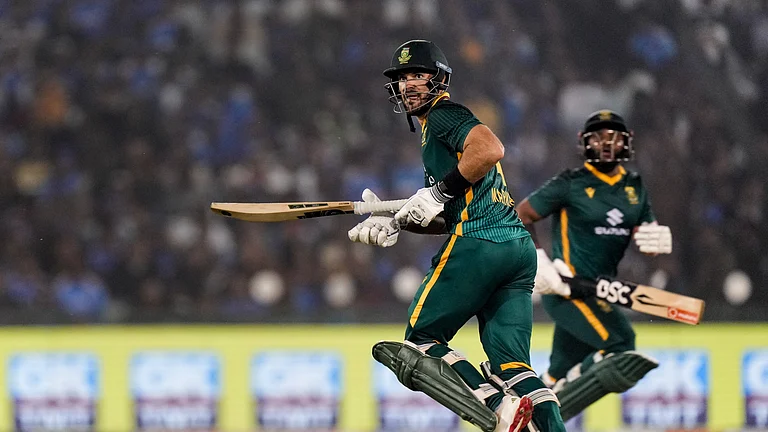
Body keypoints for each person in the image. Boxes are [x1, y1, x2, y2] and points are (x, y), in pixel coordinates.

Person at [348, 39, 566, 432]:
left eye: (417, 75)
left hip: (481, 243)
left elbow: (490, 149)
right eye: (401, 79)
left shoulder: (445, 114)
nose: (408, 84)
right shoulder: (436, 130)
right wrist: (398, 220)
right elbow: (447, 213)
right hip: (517, 249)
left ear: (439, 79)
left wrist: (436, 193)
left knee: (420, 341)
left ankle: (498, 408)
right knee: (513, 366)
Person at [515, 110, 673, 421]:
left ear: (626, 143)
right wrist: (539, 260)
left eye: (613, 136)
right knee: (621, 343)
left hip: (601, 291)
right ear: (585, 143)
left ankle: (528, 410)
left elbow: (645, 234)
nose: (606, 143)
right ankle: (558, 399)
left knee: (556, 371)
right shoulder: (569, 183)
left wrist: (655, 240)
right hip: (567, 290)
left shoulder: (635, 187)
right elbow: (522, 214)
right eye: (598, 136)